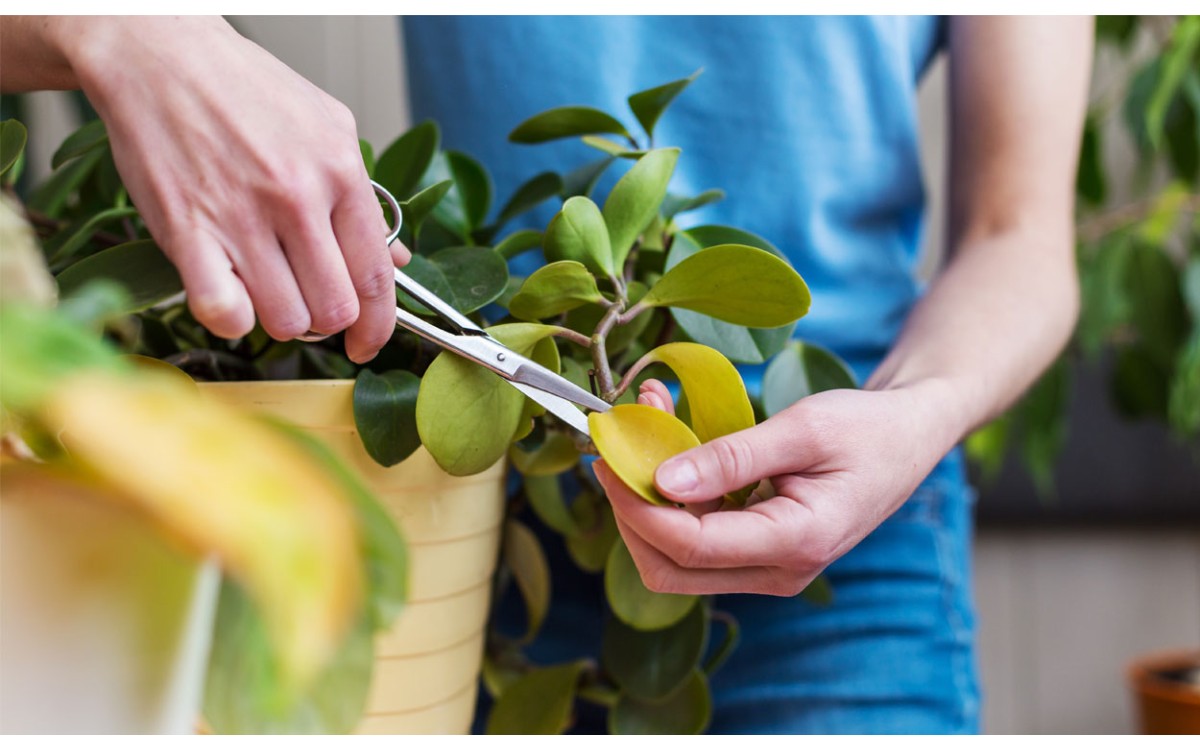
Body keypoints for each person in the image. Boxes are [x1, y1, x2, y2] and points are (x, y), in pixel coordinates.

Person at [2, 15, 1092, 733]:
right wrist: (130, 32)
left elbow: (1019, 236)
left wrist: (917, 413)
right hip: (473, 543)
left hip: (847, 557)